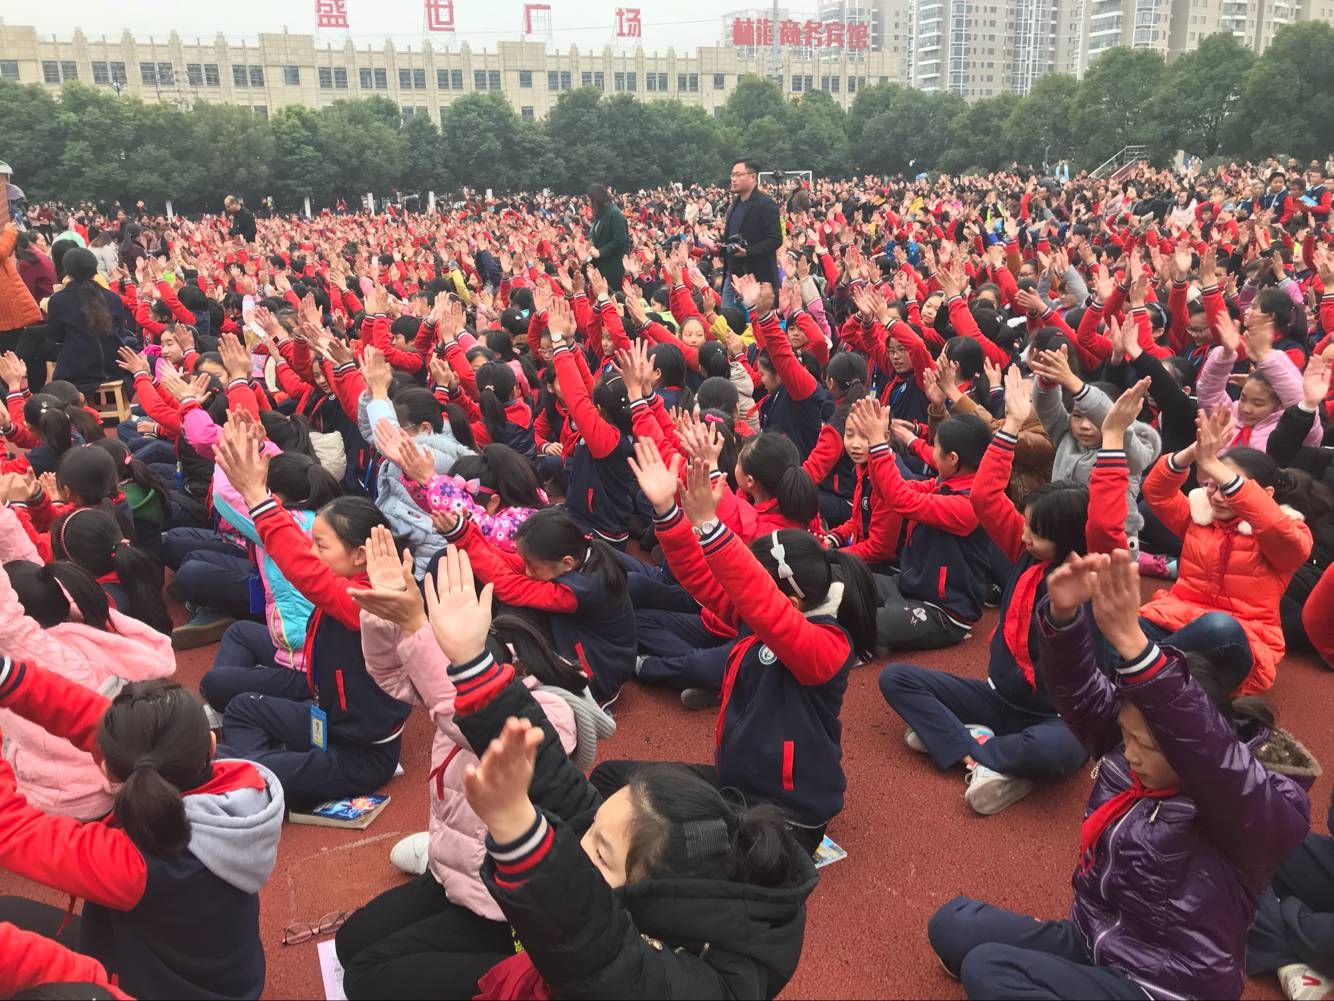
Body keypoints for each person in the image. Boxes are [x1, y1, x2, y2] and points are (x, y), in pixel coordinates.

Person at [410, 542, 818, 999]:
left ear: (661, 892)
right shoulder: (640, 865)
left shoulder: (709, 986)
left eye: (601, 855)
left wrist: (520, 832)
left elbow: (606, 959)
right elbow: (558, 785)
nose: (577, 845)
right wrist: (472, 665)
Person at [927, 548, 1313, 1000]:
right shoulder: (1130, 758)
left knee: (989, 971)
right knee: (952, 925)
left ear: (1193, 748)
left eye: (1147, 745)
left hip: (1164, 985)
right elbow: (1083, 698)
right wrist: (1065, 618)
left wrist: (1135, 645)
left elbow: (1212, 758)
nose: (1129, 752)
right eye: (1129, 737)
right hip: (1095, 940)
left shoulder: (1251, 807)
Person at [0, 662, 283, 1000]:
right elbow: (127, 735)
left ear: (108, 772)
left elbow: (10, 830)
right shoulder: (237, 781)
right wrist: (7, 677)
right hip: (224, 982)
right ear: (209, 745)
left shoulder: (134, 865)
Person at [211, 412, 411, 808]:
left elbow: (306, 572)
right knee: (241, 709)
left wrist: (256, 498)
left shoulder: (372, 604)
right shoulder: (352, 586)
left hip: (361, 756)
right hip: (327, 722)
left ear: (359, 556)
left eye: (321, 546)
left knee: (236, 767)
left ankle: (256, 777)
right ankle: (260, 773)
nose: (312, 551)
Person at [1138, 408, 1314, 694]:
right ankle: (1146, 673)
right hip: (1175, 621)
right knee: (1108, 620)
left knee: (1220, 626)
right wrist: (1196, 451)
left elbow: (1274, 527)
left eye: (1228, 488)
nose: (1217, 496)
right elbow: (1156, 492)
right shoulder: (1199, 517)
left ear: (1265, 494)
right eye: (1212, 485)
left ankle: (1138, 668)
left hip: (1240, 638)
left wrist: (1215, 465)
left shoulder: (1286, 535)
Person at [47, 247, 137, 395]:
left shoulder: (58, 300)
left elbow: (56, 336)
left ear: (67, 270)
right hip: (115, 365)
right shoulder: (113, 298)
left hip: (78, 370)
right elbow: (120, 330)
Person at [721, 159, 782, 308]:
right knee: (728, 324)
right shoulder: (735, 204)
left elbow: (775, 239)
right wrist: (720, 247)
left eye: (738, 175)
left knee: (756, 325)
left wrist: (747, 252)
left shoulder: (765, 204)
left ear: (753, 177)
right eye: (732, 175)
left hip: (756, 278)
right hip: (733, 275)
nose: (733, 179)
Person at [586, 184, 628, 293]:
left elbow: (620, 241)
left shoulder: (615, 214)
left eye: (590, 201)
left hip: (613, 266)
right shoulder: (600, 214)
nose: (588, 204)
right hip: (601, 264)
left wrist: (600, 252)